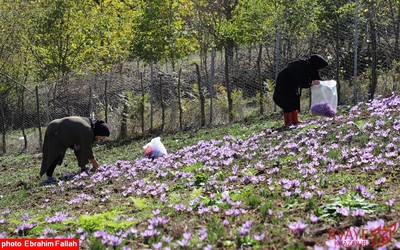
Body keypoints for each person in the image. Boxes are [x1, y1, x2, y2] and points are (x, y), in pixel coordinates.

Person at [40, 116, 110, 183]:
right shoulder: (88, 130)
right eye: (102, 136)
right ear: (99, 132)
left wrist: (74, 144)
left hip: (61, 129)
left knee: (80, 147)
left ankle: (84, 168)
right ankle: (49, 176)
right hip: (55, 129)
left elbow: (76, 134)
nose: (101, 138)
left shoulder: (90, 124)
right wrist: (95, 163)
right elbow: (87, 149)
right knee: (55, 153)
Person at [273, 54, 328, 127]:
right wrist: (311, 83)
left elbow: (317, 78)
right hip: (284, 83)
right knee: (287, 101)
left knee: (295, 99)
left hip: (292, 85)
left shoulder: (312, 67)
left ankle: (295, 120)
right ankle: (288, 122)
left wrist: (323, 84)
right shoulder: (300, 66)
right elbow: (301, 81)